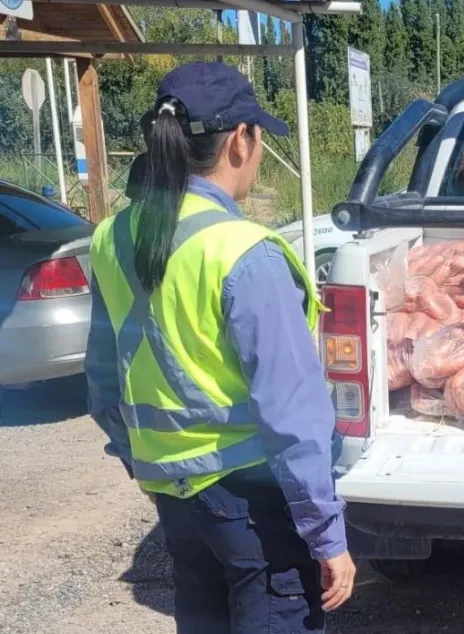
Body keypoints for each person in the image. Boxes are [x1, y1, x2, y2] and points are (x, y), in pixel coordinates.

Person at [84, 62, 356, 633]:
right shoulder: (243, 251)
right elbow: (292, 412)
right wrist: (326, 535)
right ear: (241, 140)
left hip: (178, 503)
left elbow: (104, 378)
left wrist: (144, 459)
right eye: (258, 139)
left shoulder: (114, 235)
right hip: (253, 506)